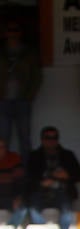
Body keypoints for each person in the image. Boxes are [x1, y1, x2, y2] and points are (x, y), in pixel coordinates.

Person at [22, 126, 80, 229]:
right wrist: (41, 183)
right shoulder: (34, 156)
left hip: (62, 191)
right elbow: (28, 177)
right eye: (48, 138)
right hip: (40, 191)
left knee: (67, 212)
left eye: (54, 138)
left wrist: (67, 175)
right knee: (33, 210)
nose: (51, 141)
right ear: (42, 139)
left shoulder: (67, 155)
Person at [0, 22, 41, 157]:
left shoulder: (29, 52)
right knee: (3, 139)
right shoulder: (1, 51)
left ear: (20, 32)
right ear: (5, 33)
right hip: (3, 101)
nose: (13, 33)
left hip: (22, 100)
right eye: (10, 30)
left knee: (24, 138)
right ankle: (3, 168)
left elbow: (37, 76)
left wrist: (29, 96)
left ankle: (26, 168)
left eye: (15, 30)